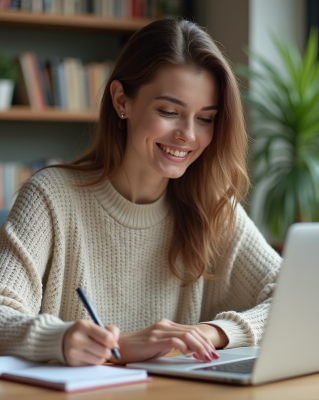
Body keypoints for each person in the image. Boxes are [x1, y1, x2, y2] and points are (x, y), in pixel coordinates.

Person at [0, 19, 281, 367]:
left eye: (205, 118)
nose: (188, 135)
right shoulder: (50, 199)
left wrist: (213, 332)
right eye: (169, 112)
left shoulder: (212, 206)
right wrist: (66, 339)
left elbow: (302, 298)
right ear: (122, 100)